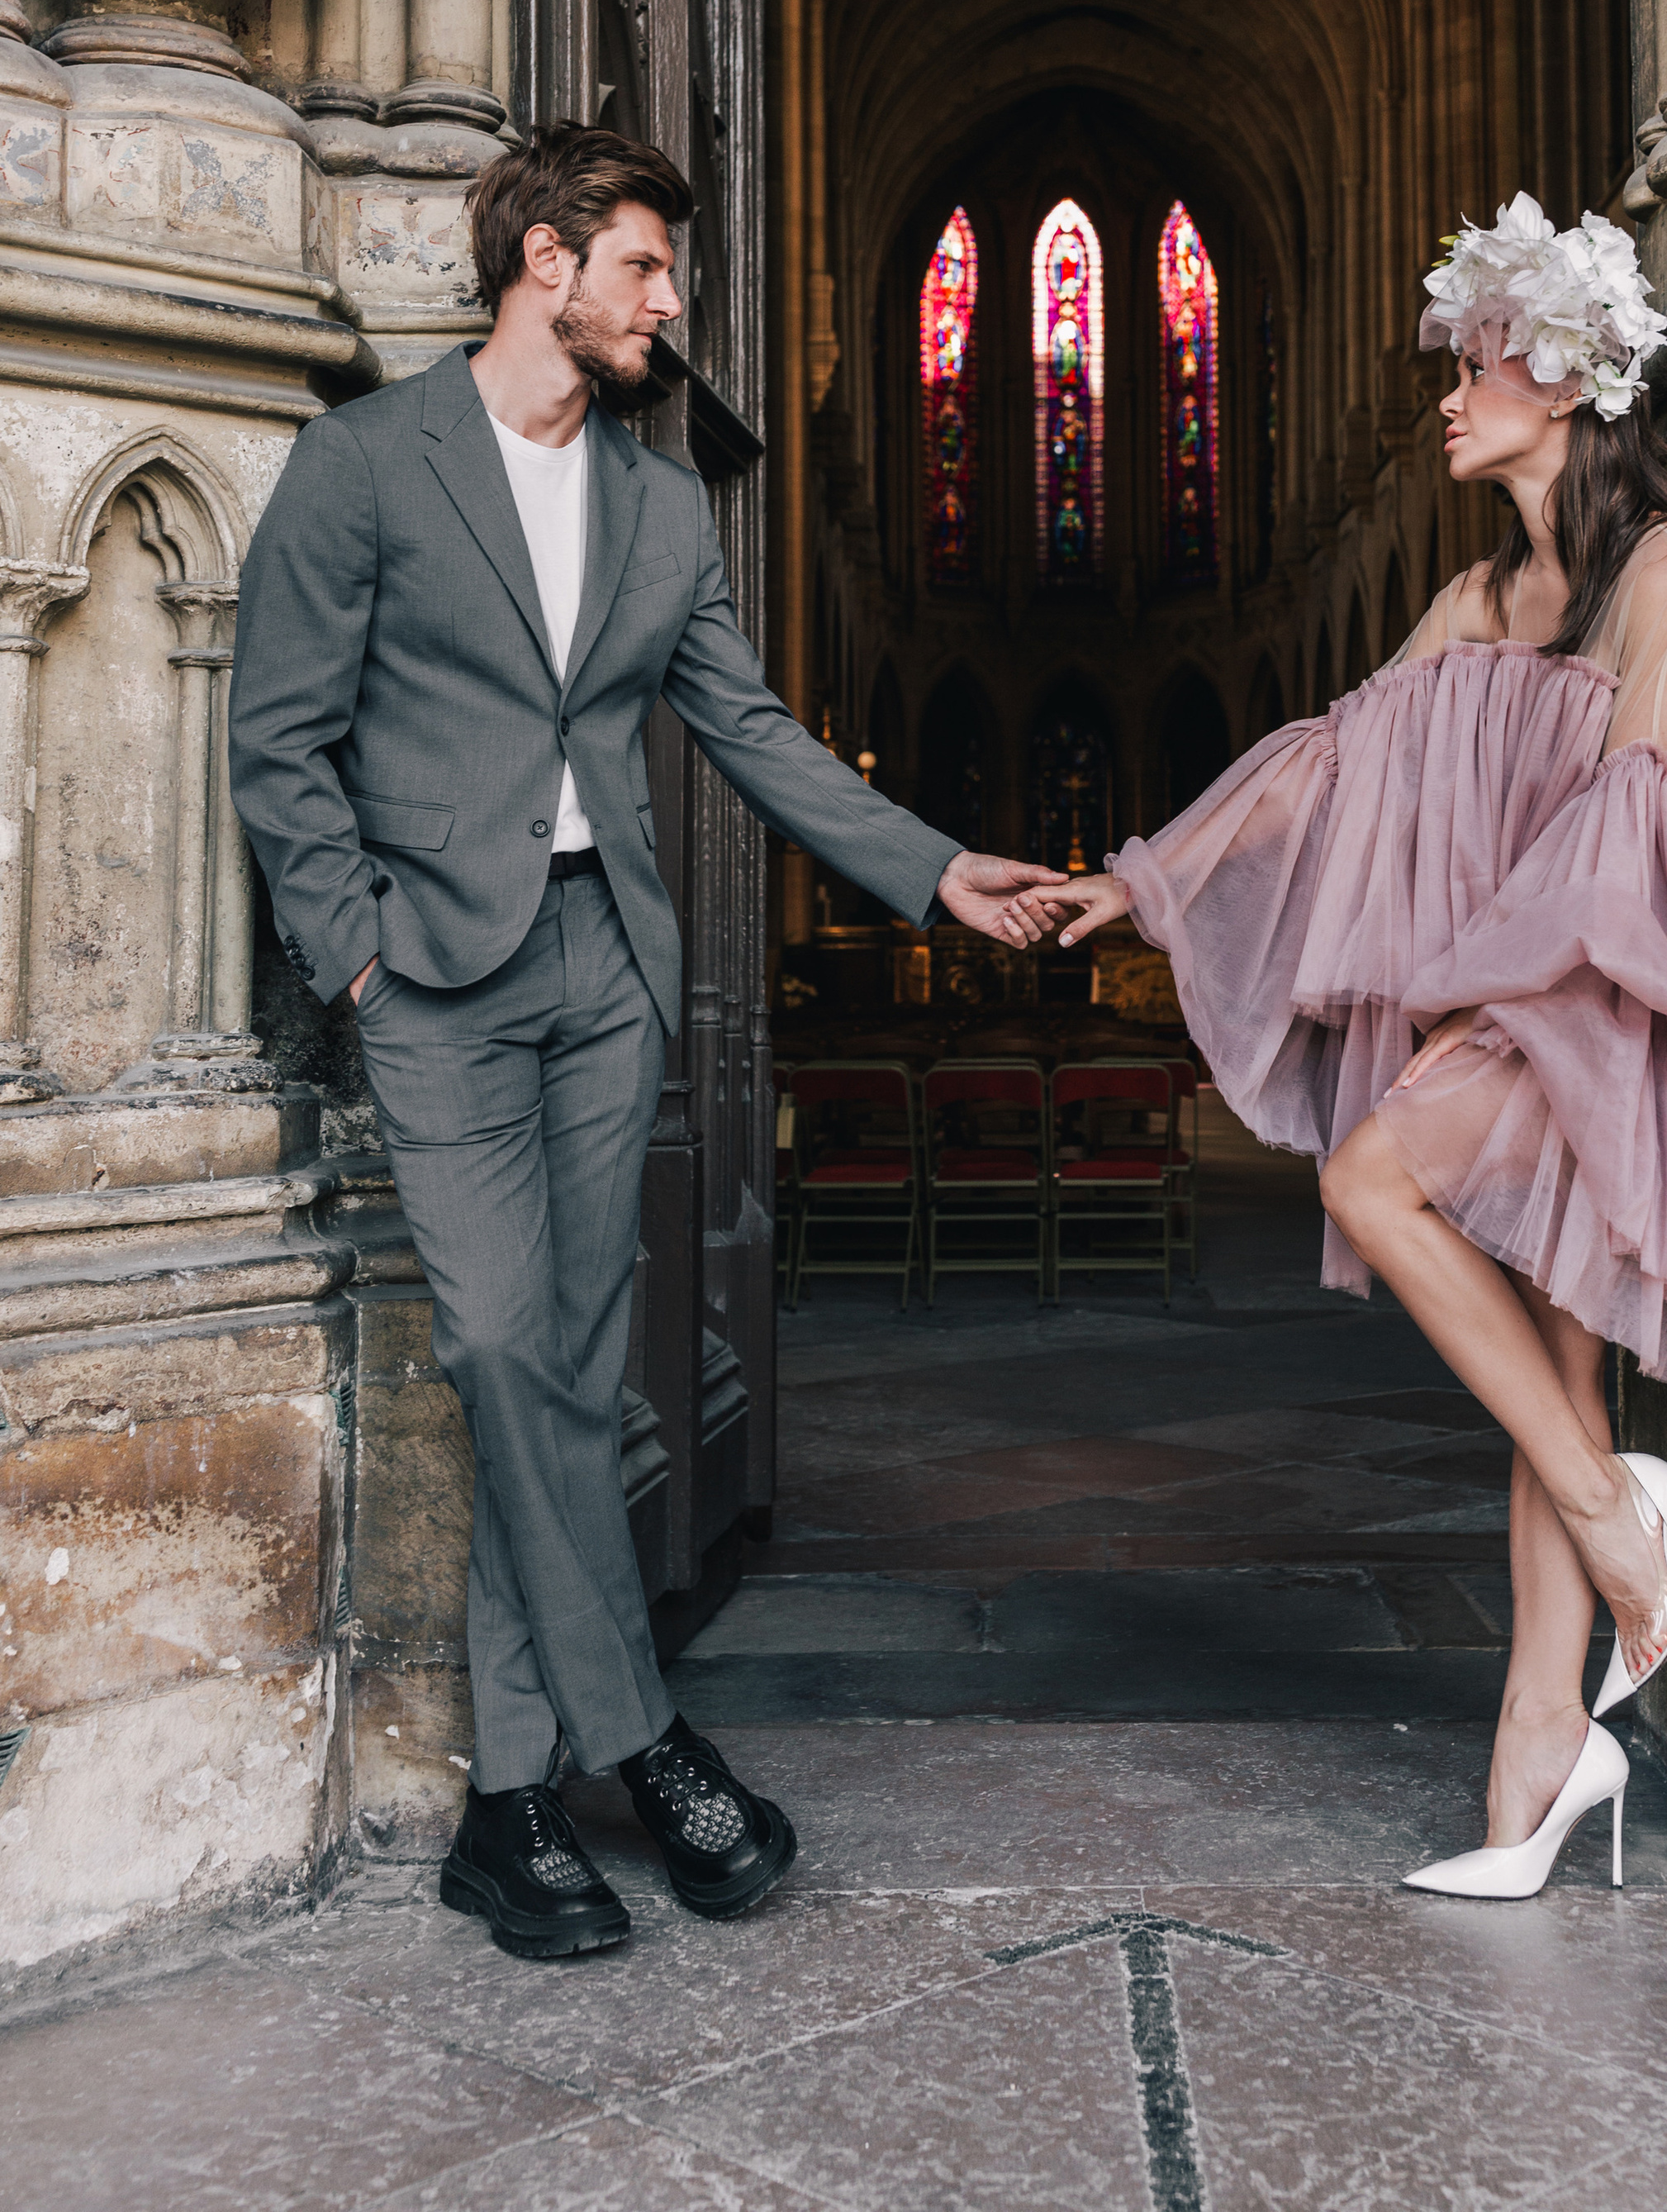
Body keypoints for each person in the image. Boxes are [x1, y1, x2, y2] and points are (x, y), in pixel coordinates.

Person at [1014, 195, 1667, 1899]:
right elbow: (1325, 765)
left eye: (1480, 367)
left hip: (1613, 1009)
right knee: (1554, 1375)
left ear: (1565, 386)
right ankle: (1536, 1763)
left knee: (1369, 1180)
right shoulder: (1473, 593)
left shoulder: (1661, 570)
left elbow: (1646, 827)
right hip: (1516, 1006)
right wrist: (1137, 887)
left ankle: (1604, 1534)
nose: (1445, 397)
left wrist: (1488, 985)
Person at [230, 125, 1066, 1960]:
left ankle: (511, 1810)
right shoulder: (365, 464)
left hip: (605, 972)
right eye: (646, 269)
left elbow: (751, 735)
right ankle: (650, 1743)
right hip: (435, 979)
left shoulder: (663, 505)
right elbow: (280, 742)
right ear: (544, 258)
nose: (669, 303)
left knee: (565, 1367)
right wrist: (356, 960)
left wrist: (934, 873)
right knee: (504, 1345)